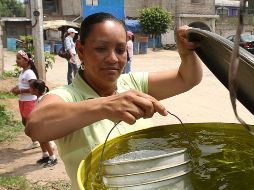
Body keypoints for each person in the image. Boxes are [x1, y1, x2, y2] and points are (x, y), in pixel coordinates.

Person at [25, 12, 203, 190]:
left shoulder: (132, 83)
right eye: (101, 48)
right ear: (80, 50)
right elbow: (35, 127)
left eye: (120, 50)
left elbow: (187, 78)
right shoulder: (67, 97)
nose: (112, 59)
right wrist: (107, 105)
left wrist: (186, 54)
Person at [10, 50, 40, 150]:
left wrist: (20, 90)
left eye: (19, 58)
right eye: (16, 58)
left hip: (30, 101)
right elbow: (23, 84)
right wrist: (16, 88)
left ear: (26, 60)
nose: (16, 60)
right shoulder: (23, 72)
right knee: (25, 122)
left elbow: (33, 89)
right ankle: (35, 141)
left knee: (31, 124)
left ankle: (46, 141)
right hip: (23, 101)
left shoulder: (29, 73)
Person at [29, 79, 58, 167]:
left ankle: (53, 157)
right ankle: (45, 155)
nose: (29, 89)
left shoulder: (42, 99)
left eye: (30, 88)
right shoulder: (39, 98)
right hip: (41, 123)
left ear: (36, 90)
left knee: (45, 140)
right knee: (41, 139)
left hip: (44, 123)